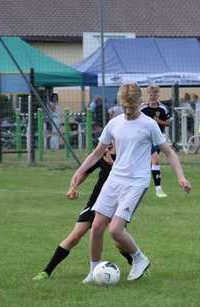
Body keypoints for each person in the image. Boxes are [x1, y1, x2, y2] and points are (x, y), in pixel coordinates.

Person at [71, 83, 191, 283]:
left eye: (132, 108)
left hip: (136, 182)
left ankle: (139, 258)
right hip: (114, 179)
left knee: (116, 229)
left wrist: (181, 177)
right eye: (125, 108)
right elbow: (97, 152)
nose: (128, 112)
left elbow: (169, 152)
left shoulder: (149, 125)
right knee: (98, 226)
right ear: (121, 103)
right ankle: (93, 271)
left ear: (139, 103)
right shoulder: (114, 123)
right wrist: (80, 171)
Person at [32, 144, 134, 281]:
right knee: (75, 235)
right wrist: (73, 187)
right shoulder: (100, 154)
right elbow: (84, 172)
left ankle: (136, 264)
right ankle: (46, 272)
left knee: (118, 241)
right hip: (96, 202)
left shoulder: (127, 156)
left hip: (117, 203)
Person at [140, 85, 171, 198]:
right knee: (148, 162)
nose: (153, 96)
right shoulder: (142, 108)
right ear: (148, 95)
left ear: (158, 95)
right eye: (150, 94)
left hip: (157, 138)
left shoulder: (162, 108)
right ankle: (144, 187)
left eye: (155, 94)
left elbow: (168, 123)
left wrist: (159, 121)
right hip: (144, 138)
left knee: (155, 161)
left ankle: (158, 189)